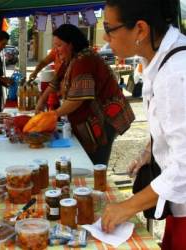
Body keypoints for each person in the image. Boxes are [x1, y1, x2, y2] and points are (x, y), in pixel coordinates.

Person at [101, 1, 186, 249]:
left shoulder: (176, 73)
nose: (106, 38)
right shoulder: (158, 59)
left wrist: (127, 207)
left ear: (140, 29)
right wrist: (151, 151)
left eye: (109, 28)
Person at [35, 24, 135, 165]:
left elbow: (77, 100)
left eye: (58, 46)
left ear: (71, 44)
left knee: (95, 163)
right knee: (87, 159)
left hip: (104, 117)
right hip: (89, 118)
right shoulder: (72, 58)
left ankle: (97, 184)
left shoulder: (84, 60)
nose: (56, 51)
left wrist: (51, 115)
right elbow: (55, 82)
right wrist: (41, 101)